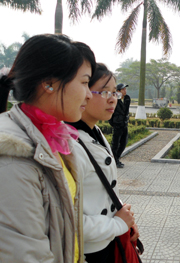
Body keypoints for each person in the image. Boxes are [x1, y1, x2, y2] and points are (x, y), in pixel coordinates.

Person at [0, 34, 96, 263]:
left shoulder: (52, 138)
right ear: (49, 84)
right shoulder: (14, 156)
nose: (90, 95)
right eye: (84, 82)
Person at [68, 63, 139, 263]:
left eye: (115, 92)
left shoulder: (95, 132)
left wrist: (125, 219)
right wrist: (118, 225)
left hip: (107, 241)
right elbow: (67, 220)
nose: (112, 99)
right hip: (86, 251)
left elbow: (106, 187)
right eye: (103, 91)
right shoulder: (68, 143)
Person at [109, 83, 130, 168]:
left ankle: (117, 158)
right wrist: (112, 123)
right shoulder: (114, 99)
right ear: (118, 91)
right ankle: (114, 161)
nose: (125, 91)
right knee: (115, 144)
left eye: (125, 89)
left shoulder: (127, 98)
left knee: (123, 143)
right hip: (117, 125)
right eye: (123, 89)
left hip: (124, 124)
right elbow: (110, 112)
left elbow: (126, 111)